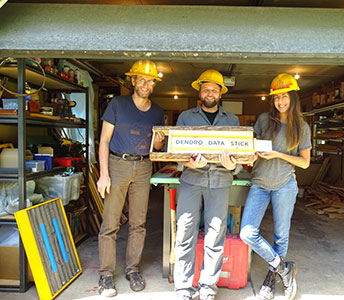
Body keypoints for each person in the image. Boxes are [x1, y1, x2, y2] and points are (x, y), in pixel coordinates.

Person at [96, 59, 165, 297]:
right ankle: (106, 274)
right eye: (142, 79)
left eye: (151, 81)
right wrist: (103, 174)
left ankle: (132, 269)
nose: (146, 84)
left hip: (144, 166)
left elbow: (157, 144)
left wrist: (159, 141)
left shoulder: (157, 111)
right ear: (133, 80)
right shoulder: (117, 104)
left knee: (139, 223)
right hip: (117, 165)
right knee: (110, 223)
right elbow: (104, 140)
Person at [239, 73, 311, 300]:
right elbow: (253, 147)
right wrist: (248, 156)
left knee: (281, 235)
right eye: (277, 97)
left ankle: (271, 278)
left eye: (285, 96)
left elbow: (305, 162)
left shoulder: (302, 127)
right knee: (247, 233)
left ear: (293, 98)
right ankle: (283, 268)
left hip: (285, 185)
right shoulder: (263, 119)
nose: (280, 101)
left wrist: (277, 155)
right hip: (259, 182)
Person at [174, 69, 240, 300]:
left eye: (214, 89)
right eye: (206, 89)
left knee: (215, 235)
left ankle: (207, 288)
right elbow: (176, 151)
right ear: (199, 92)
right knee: (184, 232)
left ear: (221, 93)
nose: (210, 93)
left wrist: (233, 167)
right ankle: (183, 287)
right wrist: (186, 164)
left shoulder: (232, 121)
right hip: (191, 180)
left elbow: (239, 155)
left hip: (221, 181)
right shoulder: (185, 117)